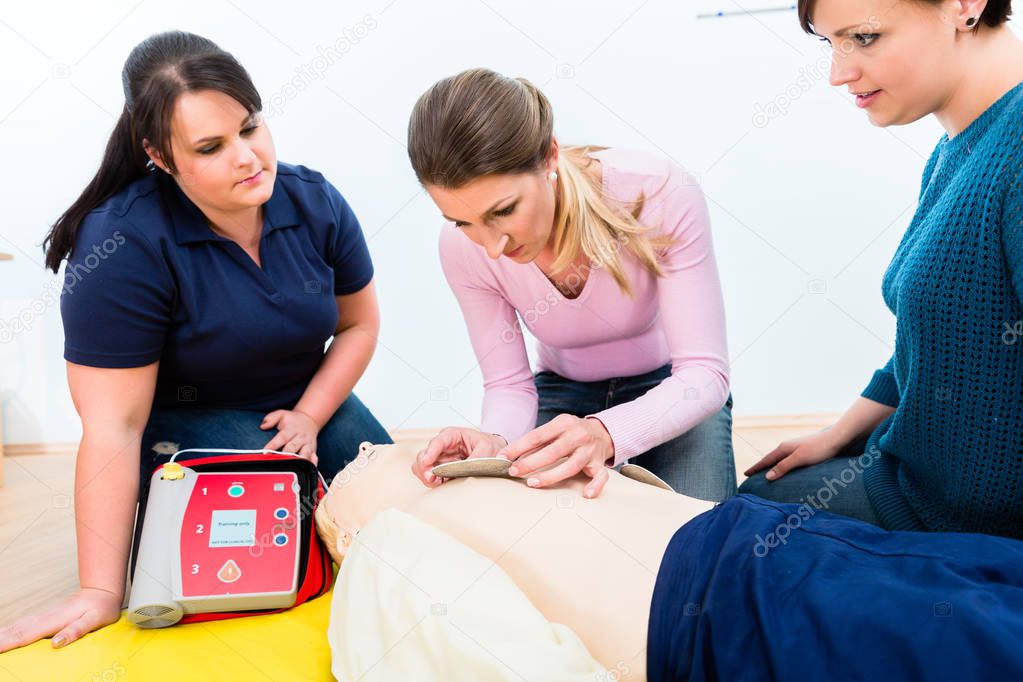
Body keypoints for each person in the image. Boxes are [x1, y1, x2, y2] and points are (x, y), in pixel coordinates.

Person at [0, 30, 390, 654]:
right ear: (159, 154)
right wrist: (100, 592)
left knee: (397, 515)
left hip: (302, 402)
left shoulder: (313, 201)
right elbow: (113, 427)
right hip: (186, 419)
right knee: (293, 529)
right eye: (211, 147)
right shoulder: (122, 246)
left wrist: (311, 415)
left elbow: (359, 325)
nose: (247, 157)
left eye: (250, 126)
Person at [319, 443, 1023, 682]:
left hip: (745, 553)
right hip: (731, 582)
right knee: (955, 618)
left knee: (964, 588)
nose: (366, 452)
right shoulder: (390, 547)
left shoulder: (440, 498)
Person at [740, 0, 1023, 538]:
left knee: (739, 533)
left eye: (864, 38)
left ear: (964, 6)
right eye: (830, 44)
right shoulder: (955, 151)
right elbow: (938, 338)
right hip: (914, 478)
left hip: (968, 522)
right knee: (751, 505)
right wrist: (838, 433)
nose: (837, 73)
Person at [407, 68, 735, 500]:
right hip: (561, 394)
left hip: (672, 389)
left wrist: (606, 432)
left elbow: (704, 373)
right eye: (462, 221)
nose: (491, 246)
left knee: (700, 539)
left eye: (503, 210)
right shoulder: (460, 250)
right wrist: (495, 441)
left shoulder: (659, 192)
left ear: (549, 157)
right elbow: (508, 384)